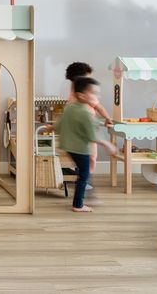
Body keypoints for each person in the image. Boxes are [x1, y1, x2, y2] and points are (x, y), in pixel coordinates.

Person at [55, 77, 117, 212]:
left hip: (68, 148)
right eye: (94, 93)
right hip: (80, 149)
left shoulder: (70, 108)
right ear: (81, 95)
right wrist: (108, 144)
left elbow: (59, 126)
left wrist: (50, 127)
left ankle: (81, 200)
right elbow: (91, 135)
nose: (97, 96)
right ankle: (78, 205)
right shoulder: (85, 112)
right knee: (84, 176)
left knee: (83, 174)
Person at [65, 62, 114, 188]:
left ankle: (83, 177)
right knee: (90, 155)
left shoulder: (75, 94)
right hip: (85, 129)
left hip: (79, 130)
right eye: (87, 78)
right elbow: (99, 107)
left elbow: (97, 107)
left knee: (85, 155)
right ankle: (85, 179)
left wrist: (107, 118)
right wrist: (107, 117)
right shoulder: (83, 95)